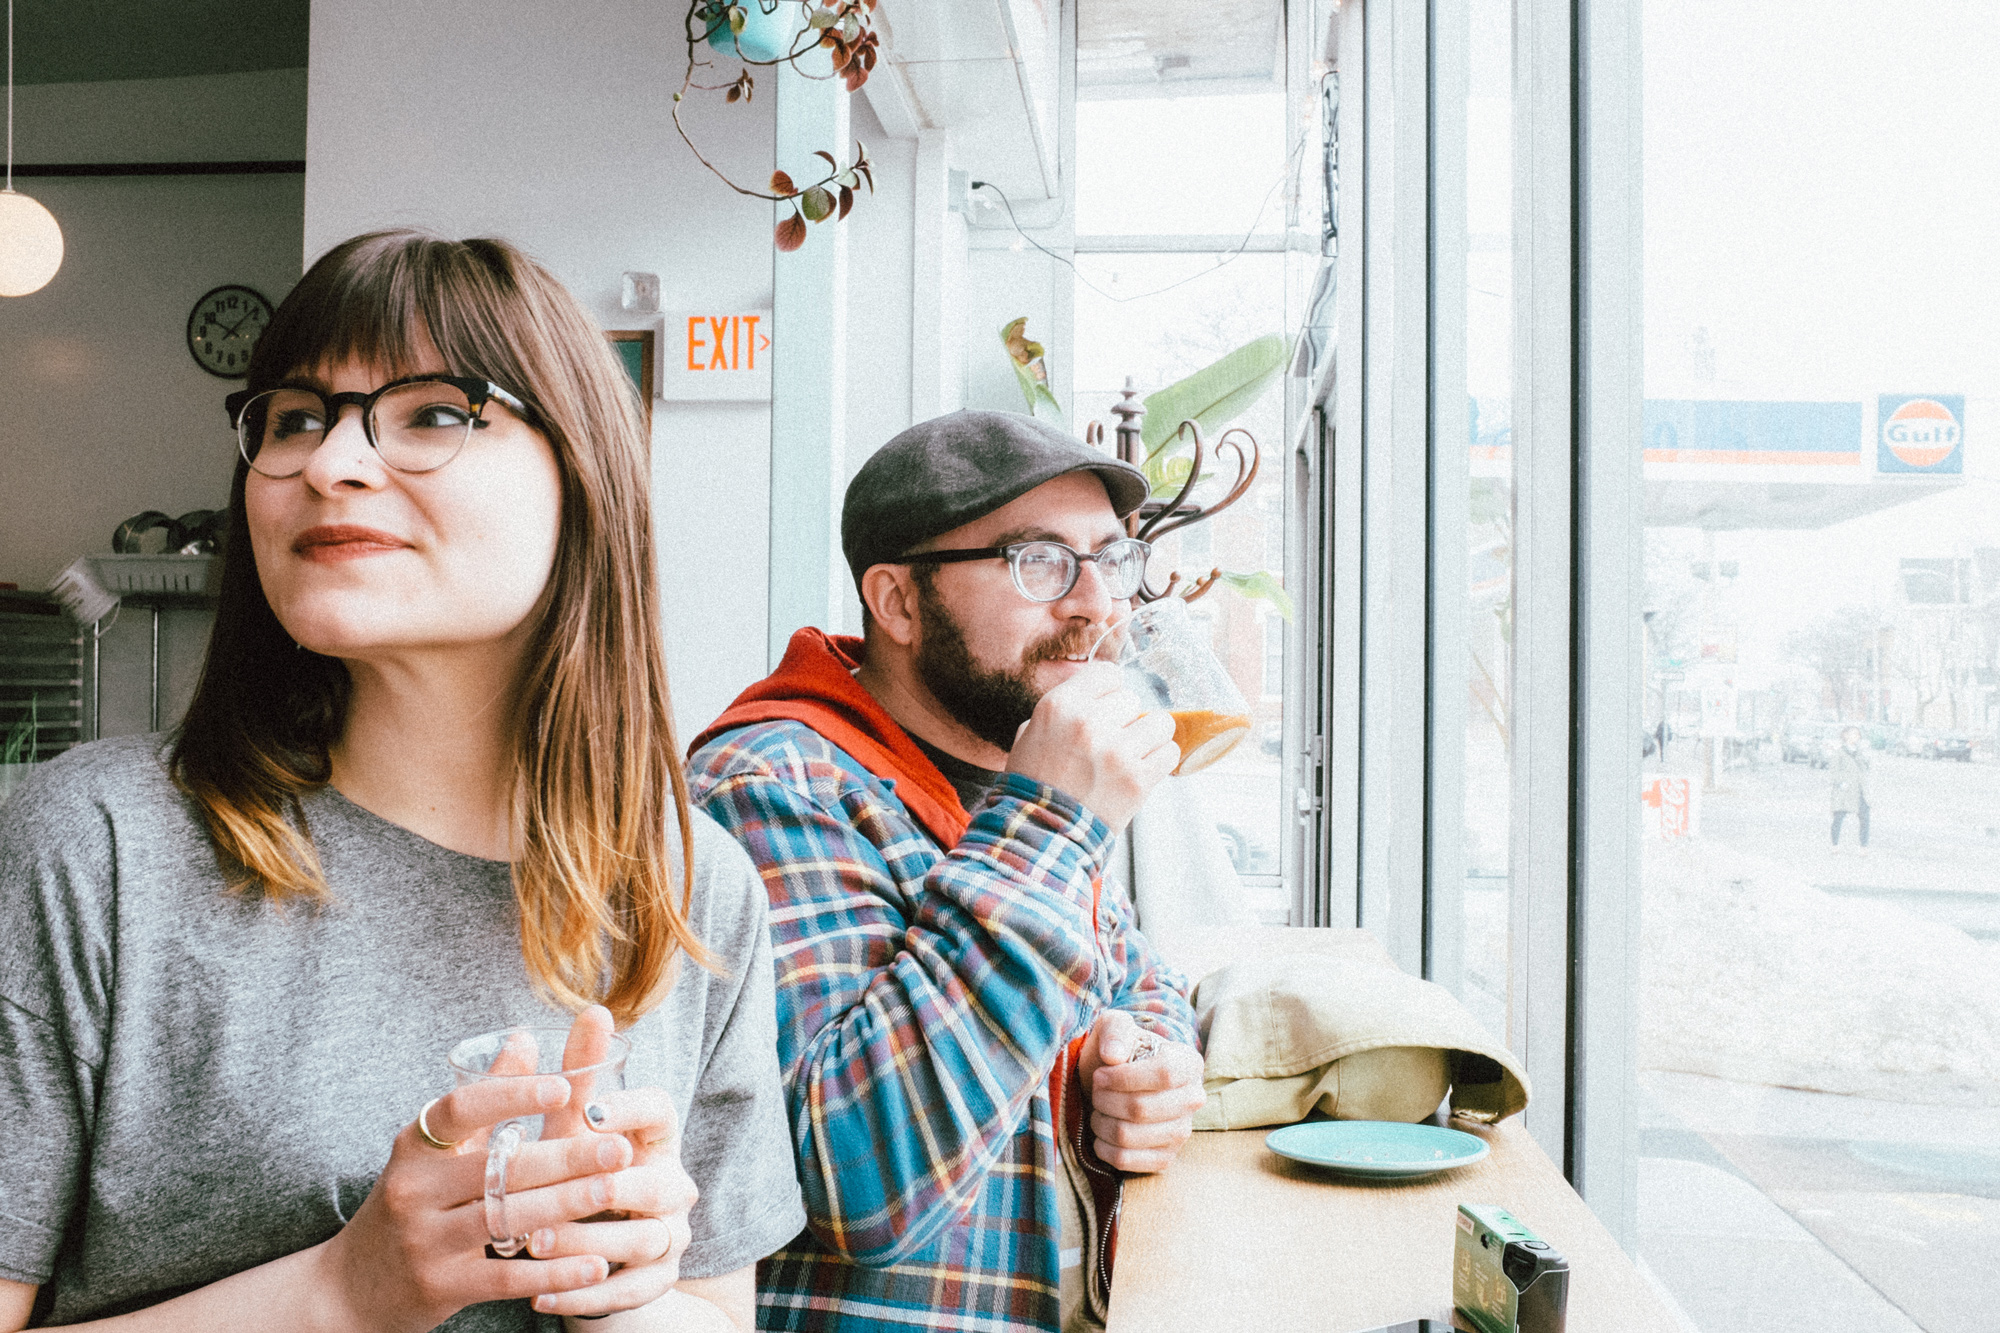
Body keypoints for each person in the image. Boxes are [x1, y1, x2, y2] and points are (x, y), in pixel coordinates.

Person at [0, 231, 804, 1331]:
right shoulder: (100, 844)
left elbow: (716, 1311)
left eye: (433, 411)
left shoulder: (683, 881)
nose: (328, 462)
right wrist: (344, 1289)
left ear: (583, 474)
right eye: (294, 417)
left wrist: (617, 1286)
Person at [687, 411, 1208, 1333]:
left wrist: (1147, 1065)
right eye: (1038, 562)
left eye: (1109, 559)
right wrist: (1054, 823)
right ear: (897, 602)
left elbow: (1138, 973)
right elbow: (855, 1184)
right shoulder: (774, 786)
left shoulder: (1007, 767)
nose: (1096, 605)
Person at [1830, 724, 1872, 853]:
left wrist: (1864, 756)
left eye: (1858, 734)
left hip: (1859, 790)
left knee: (1865, 818)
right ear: (1846, 735)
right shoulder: (1839, 753)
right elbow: (1834, 772)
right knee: (1839, 817)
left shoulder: (1860, 752)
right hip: (1845, 792)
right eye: (1853, 734)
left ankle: (1863, 846)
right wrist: (1841, 783)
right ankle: (1834, 844)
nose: (1856, 737)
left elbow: (1866, 768)